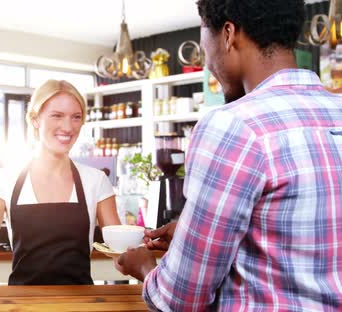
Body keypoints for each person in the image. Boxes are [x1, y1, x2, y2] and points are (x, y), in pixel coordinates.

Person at [115, 0, 342, 310]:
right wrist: (190, 235)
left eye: (204, 44)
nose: (208, 62)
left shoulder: (233, 125)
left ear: (228, 34)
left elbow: (181, 298)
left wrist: (143, 266)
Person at [0, 80, 121, 285]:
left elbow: (121, 259)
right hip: (22, 305)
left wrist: (142, 245)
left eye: (76, 117)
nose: (68, 127)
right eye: (57, 116)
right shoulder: (4, 180)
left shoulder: (96, 181)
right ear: (35, 119)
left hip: (80, 304)